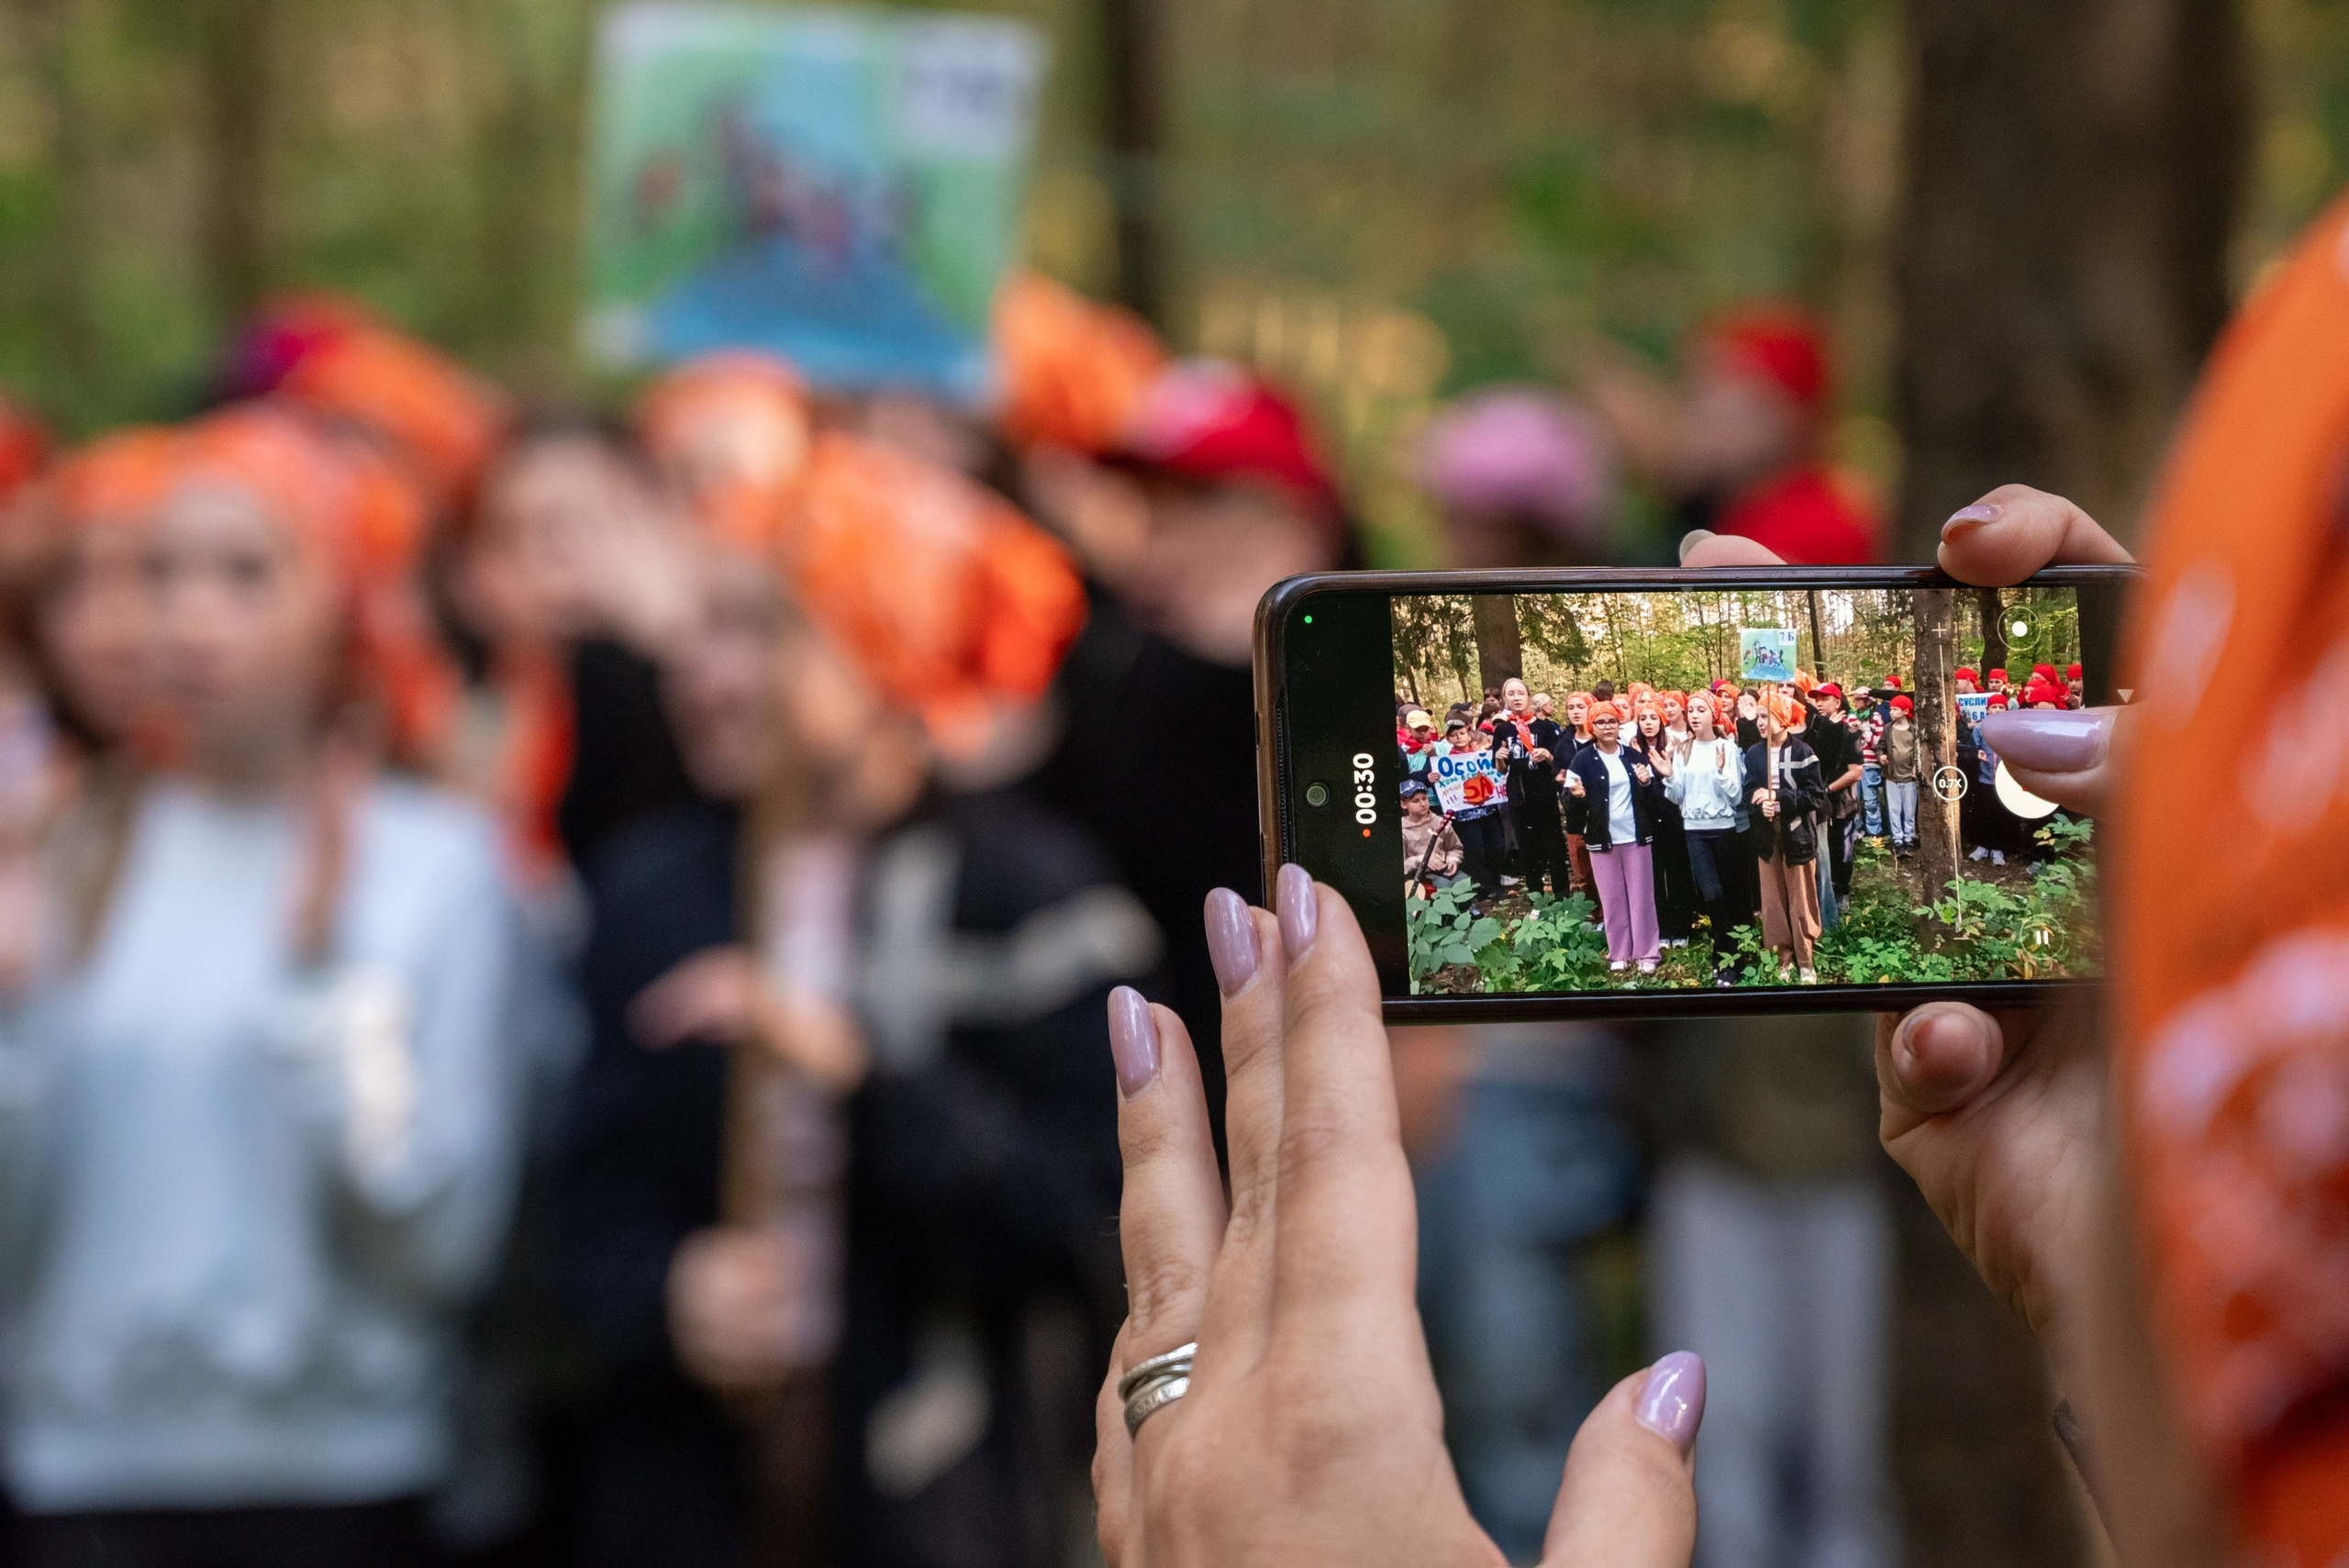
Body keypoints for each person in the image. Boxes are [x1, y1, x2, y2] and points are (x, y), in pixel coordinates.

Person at [0, 406, 523, 1565]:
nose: (188, 617)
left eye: (244, 573)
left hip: (342, 1472)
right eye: (160, 574)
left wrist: (324, 984)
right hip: (88, 1474)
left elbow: (443, 1246)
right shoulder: (63, 849)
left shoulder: (435, 867)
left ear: (343, 595)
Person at [1589, 302, 1879, 566]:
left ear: (1781, 416)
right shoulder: (1743, 506)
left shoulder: (1813, 525)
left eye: (1719, 400)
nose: (1698, 419)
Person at [1564, 706, 1664, 976]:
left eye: (1612, 722)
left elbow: (1655, 797)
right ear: (1592, 726)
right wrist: (1577, 795)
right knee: (1612, 898)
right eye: (1601, 722)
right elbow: (1567, 803)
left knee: (1642, 896)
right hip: (1601, 839)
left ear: (1619, 725)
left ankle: (1647, 952)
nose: (1607, 727)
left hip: (1636, 836)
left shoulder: (1634, 756)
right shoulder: (1581, 760)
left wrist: (1645, 783)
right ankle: (1619, 952)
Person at [1664, 691, 1750, 985]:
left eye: (1701, 709)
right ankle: (1724, 954)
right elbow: (1676, 796)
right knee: (1711, 894)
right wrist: (1668, 775)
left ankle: (1729, 958)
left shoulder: (1728, 747)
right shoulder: (1682, 750)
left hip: (1724, 829)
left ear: (1713, 714)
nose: (1694, 715)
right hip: (1694, 832)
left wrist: (1723, 771)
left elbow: (1737, 796)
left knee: (1728, 894)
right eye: (1691, 710)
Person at [1742, 690, 1827, 984]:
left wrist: (1777, 796)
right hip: (1767, 835)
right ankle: (1782, 956)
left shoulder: (1803, 752)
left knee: (1800, 898)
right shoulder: (1754, 753)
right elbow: (1748, 789)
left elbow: (1816, 796)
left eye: (1766, 717)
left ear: (1782, 718)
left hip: (1797, 833)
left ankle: (1805, 958)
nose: (1760, 723)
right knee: (1772, 899)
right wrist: (1758, 801)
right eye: (1758, 717)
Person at [1491, 676, 1570, 898]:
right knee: (1528, 850)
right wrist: (1499, 757)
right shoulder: (1503, 730)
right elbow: (1501, 769)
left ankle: (1562, 897)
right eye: (1511, 694)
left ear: (1528, 696)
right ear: (1505, 699)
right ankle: (1536, 897)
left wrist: (1547, 755)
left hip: (1544, 795)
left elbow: (1559, 764)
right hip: (1518, 797)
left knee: (1554, 848)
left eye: (1520, 693)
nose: (1516, 698)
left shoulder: (1546, 727)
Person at [1638, 704, 1695, 946]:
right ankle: (1661, 929)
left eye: (1653, 718)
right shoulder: (1631, 752)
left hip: (1673, 818)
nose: (1648, 722)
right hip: (1646, 821)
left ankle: (1682, 927)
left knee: (1678, 873)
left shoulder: (1676, 749)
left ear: (1661, 722)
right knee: (1654, 878)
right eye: (1643, 718)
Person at [1806, 683, 1865, 907]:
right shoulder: (1815, 730)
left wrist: (1828, 789)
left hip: (1842, 803)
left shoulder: (1849, 731)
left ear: (1838, 702)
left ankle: (1842, 894)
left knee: (1842, 850)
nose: (1819, 703)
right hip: (1819, 804)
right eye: (1816, 698)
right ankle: (1824, 895)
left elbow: (1856, 772)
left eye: (1825, 698)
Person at [1441, 719, 1508, 905]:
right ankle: (1483, 887)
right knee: (1475, 851)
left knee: (1496, 847)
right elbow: (1443, 784)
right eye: (1453, 735)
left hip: (1488, 810)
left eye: (1461, 733)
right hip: (1465, 816)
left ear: (1469, 733)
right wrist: (1434, 777)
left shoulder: (1482, 755)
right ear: (1448, 738)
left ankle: (1495, 881)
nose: (1459, 738)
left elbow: (1499, 773)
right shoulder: (1445, 762)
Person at [1399, 779, 1464, 897]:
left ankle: (1466, 908)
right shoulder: (1403, 829)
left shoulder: (1440, 822)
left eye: (1425, 798)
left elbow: (1455, 847)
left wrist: (1453, 859)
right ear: (1404, 804)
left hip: (1443, 868)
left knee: (1463, 880)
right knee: (1444, 885)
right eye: (1416, 801)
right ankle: (1446, 914)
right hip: (1418, 875)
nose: (1423, 804)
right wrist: (1419, 859)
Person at [1880, 695, 1920, 854]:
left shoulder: (1914, 730)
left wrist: (1916, 766)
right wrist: (1881, 756)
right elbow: (1880, 746)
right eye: (1890, 709)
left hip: (1909, 777)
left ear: (1905, 711)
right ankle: (1897, 839)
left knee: (1909, 809)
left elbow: (1918, 750)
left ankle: (1909, 837)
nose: (1891, 712)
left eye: (1895, 709)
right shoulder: (1888, 729)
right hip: (1892, 776)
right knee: (1894, 809)